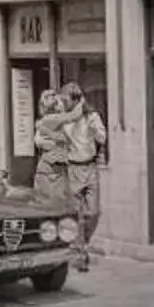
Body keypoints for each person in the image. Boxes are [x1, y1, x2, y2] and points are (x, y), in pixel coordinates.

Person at [34, 79, 107, 271]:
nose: (61, 103)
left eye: (64, 100)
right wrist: (54, 139)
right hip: (72, 168)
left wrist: (94, 130)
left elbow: (103, 137)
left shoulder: (92, 116)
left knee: (94, 212)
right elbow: (41, 130)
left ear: (74, 100)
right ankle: (80, 252)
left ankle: (83, 244)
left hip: (90, 168)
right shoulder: (62, 119)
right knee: (77, 214)